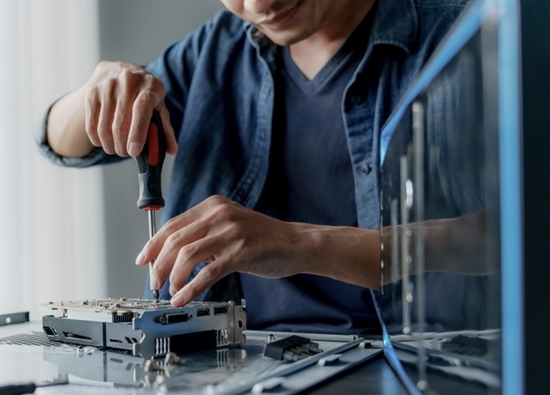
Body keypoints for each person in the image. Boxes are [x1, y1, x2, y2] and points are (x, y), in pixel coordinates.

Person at [37, 0, 468, 335]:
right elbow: (60, 141)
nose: (260, 4)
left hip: (411, 384)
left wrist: (298, 243)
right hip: (234, 386)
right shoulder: (220, 47)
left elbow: (514, 236)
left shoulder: (458, 34)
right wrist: (102, 88)